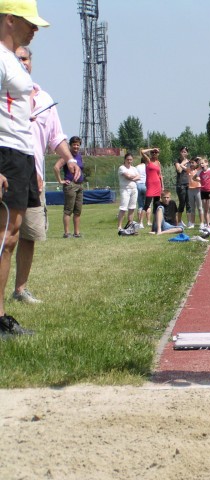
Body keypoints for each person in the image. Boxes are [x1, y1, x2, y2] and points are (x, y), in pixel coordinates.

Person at [0, 1, 50, 337]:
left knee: (11, 236)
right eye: (28, 22)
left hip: (20, 153)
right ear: (8, 20)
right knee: (4, 236)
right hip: (4, 153)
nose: (34, 29)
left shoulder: (11, 59)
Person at [13, 45, 77, 305]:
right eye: (16, 59)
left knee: (29, 235)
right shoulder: (5, 96)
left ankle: (20, 289)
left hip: (34, 177)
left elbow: (56, 138)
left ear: (32, 62)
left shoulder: (45, 99)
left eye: (25, 59)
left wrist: (70, 159)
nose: (21, 63)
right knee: (6, 236)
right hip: (7, 173)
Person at [54, 135, 84, 238]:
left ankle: (77, 233)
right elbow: (56, 167)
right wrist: (60, 181)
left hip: (79, 185)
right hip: (70, 185)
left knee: (78, 210)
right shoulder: (67, 156)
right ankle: (67, 233)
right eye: (74, 144)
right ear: (70, 145)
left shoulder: (79, 156)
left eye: (78, 145)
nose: (76, 147)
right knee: (68, 210)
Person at [117, 152, 140, 231]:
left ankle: (130, 224)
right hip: (125, 189)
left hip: (134, 189)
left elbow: (139, 177)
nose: (129, 161)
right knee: (123, 208)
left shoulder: (134, 168)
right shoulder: (121, 168)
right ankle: (119, 226)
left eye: (131, 160)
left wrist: (132, 178)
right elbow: (127, 176)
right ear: (125, 160)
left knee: (132, 207)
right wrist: (133, 177)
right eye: (128, 159)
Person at [140, 147, 163, 220]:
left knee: (156, 204)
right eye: (152, 152)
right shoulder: (148, 161)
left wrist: (163, 186)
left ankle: (156, 220)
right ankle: (140, 222)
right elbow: (142, 152)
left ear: (158, 154)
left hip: (157, 185)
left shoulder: (158, 163)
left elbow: (160, 175)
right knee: (146, 204)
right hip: (150, 185)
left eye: (156, 152)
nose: (154, 154)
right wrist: (152, 149)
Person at [173, 146, 190, 227]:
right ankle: (179, 221)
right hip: (181, 185)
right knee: (182, 203)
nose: (184, 153)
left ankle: (190, 222)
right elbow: (179, 170)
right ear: (180, 152)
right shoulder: (177, 160)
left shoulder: (190, 162)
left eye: (185, 152)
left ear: (187, 153)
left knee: (189, 204)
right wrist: (183, 162)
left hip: (189, 184)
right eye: (182, 151)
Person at [186, 156, 204, 229]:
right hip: (190, 190)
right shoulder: (188, 170)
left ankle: (202, 223)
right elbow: (181, 166)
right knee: (192, 207)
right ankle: (192, 223)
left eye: (193, 163)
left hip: (197, 189)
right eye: (190, 163)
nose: (191, 164)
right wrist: (187, 161)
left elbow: (201, 162)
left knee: (200, 207)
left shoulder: (198, 169)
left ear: (196, 163)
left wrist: (198, 158)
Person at [135, 156, 148, 227]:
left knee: (140, 205)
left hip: (137, 185)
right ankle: (148, 221)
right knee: (148, 205)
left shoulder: (136, 167)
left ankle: (140, 222)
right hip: (145, 185)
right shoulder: (147, 166)